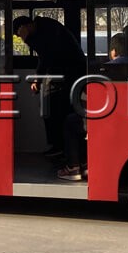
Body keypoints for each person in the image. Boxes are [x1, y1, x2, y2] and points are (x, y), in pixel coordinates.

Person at [12, 16, 86, 180]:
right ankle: (58, 146)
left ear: (25, 26)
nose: (19, 37)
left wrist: (38, 79)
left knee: (53, 105)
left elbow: (46, 56)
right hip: (63, 73)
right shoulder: (44, 28)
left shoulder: (47, 28)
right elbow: (43, 58)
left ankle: (63, 151)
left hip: (72, 74)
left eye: (18, 33)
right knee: (49, 103)